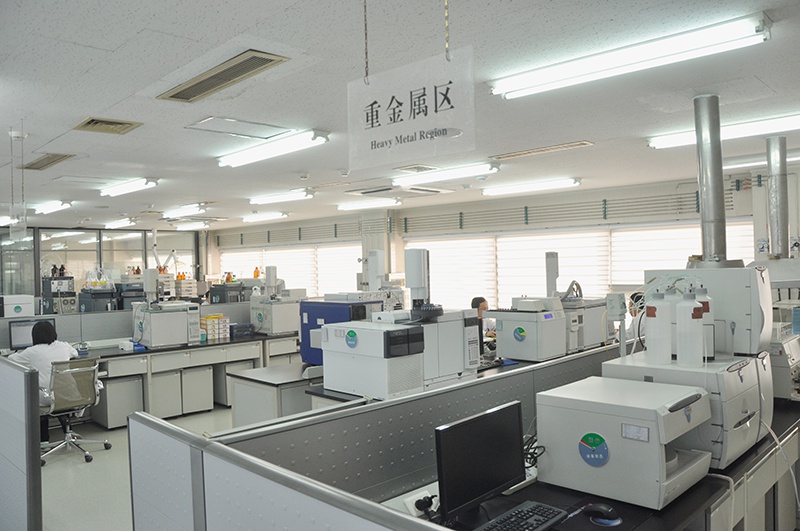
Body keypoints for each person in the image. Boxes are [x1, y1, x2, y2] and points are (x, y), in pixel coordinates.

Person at [9, 321, 78, 444]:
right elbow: (75, 353)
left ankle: (44, 440)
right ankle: (68, 431)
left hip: (47, 397)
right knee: (58, 390)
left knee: (36, 395)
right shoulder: (64, 346)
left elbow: (11, 359)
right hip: (70, 394)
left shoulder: (31, 352)